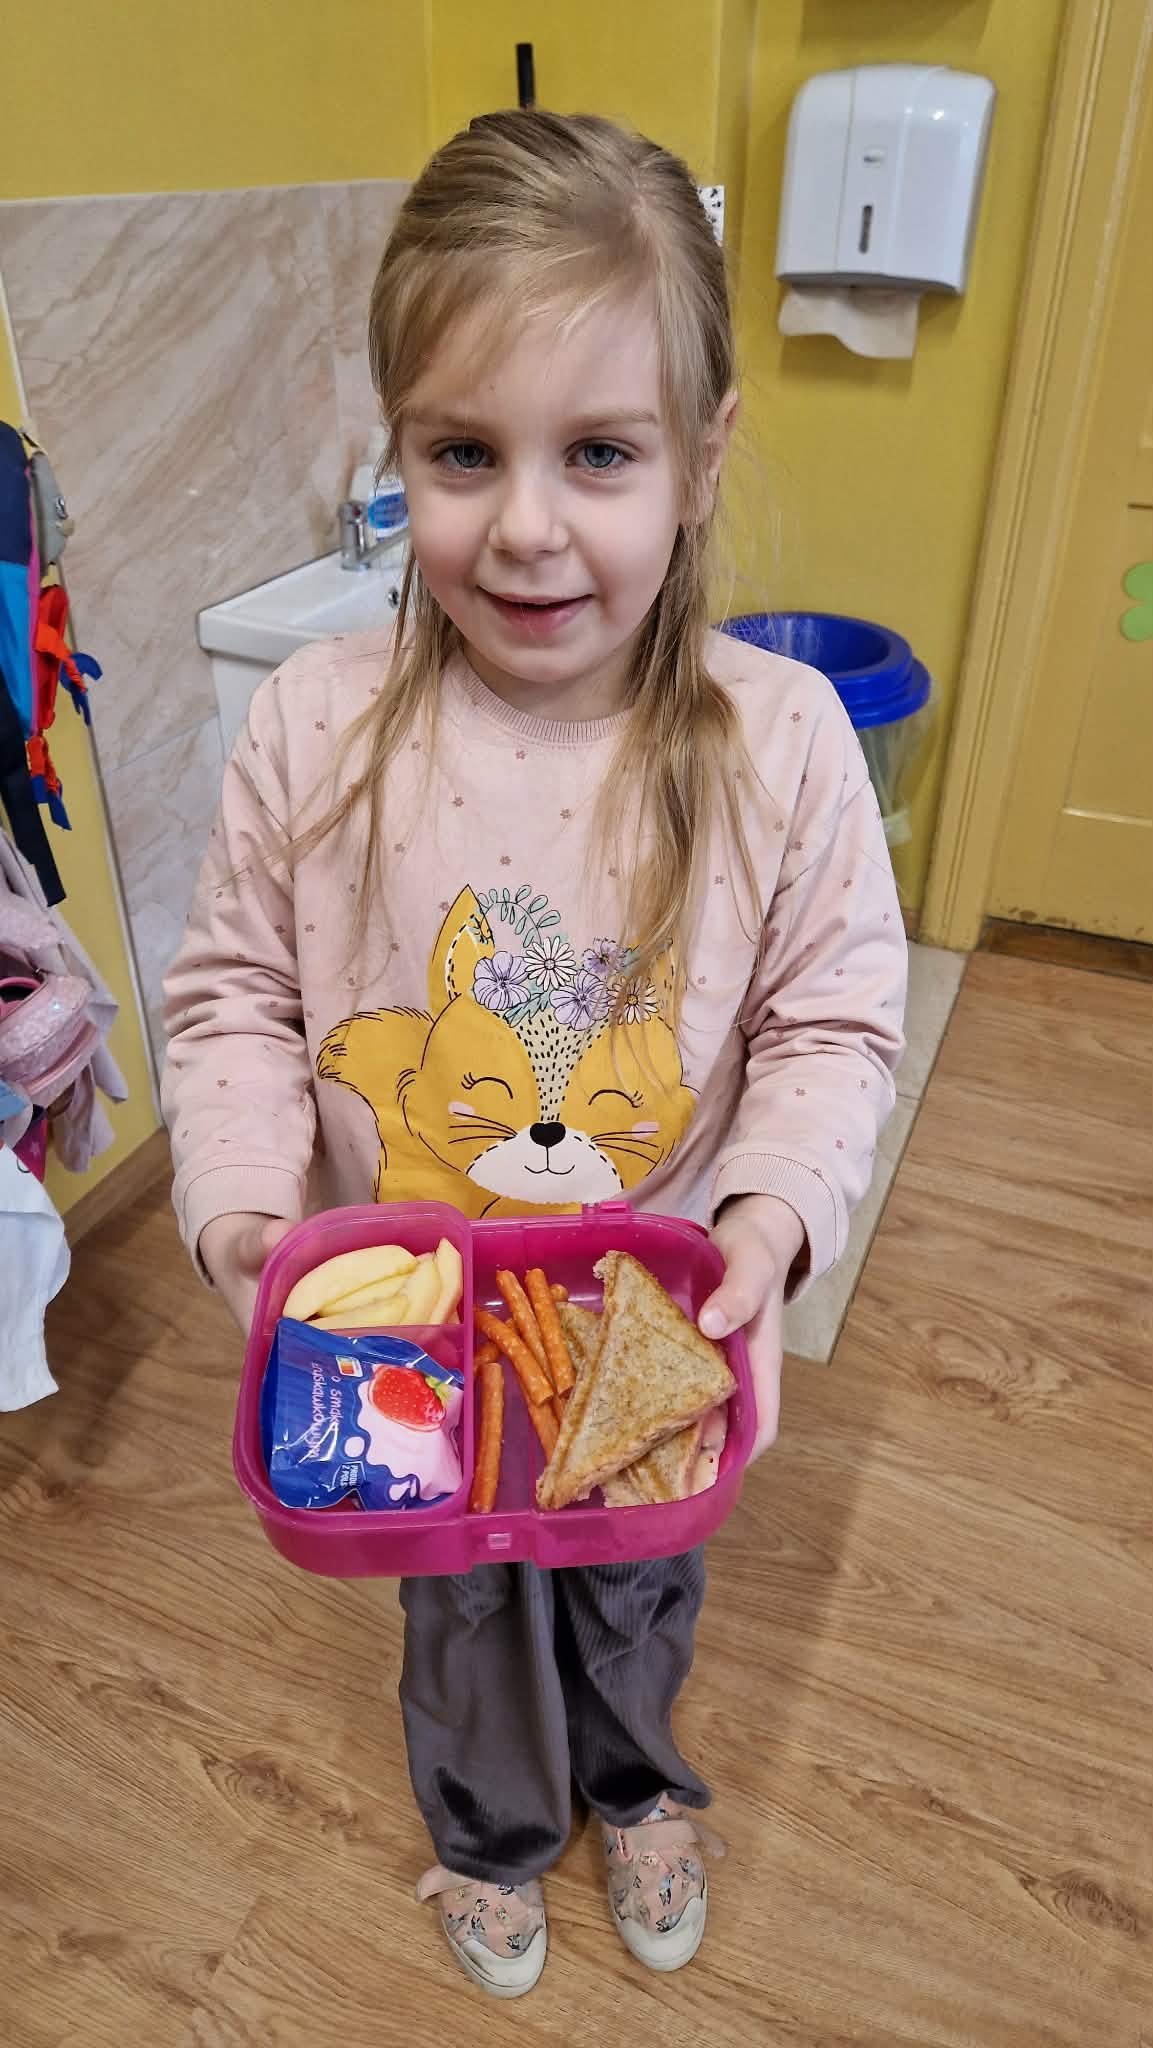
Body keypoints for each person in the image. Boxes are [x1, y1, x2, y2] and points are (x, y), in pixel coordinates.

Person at [163, 109, 906, 1999]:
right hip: (407, 1329)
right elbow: (237, 993)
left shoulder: (781, 743)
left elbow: (829, 1018)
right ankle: (491, 1833)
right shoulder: (315, 728)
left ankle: (639, 1785)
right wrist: (244, 1210)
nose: (524, 525)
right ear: (396, 447)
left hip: (642, 1321)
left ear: (701, 456)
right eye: (461, 453)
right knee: (460, 1615)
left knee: (633, 1589)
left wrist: (765, 1224)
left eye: (598, 453)